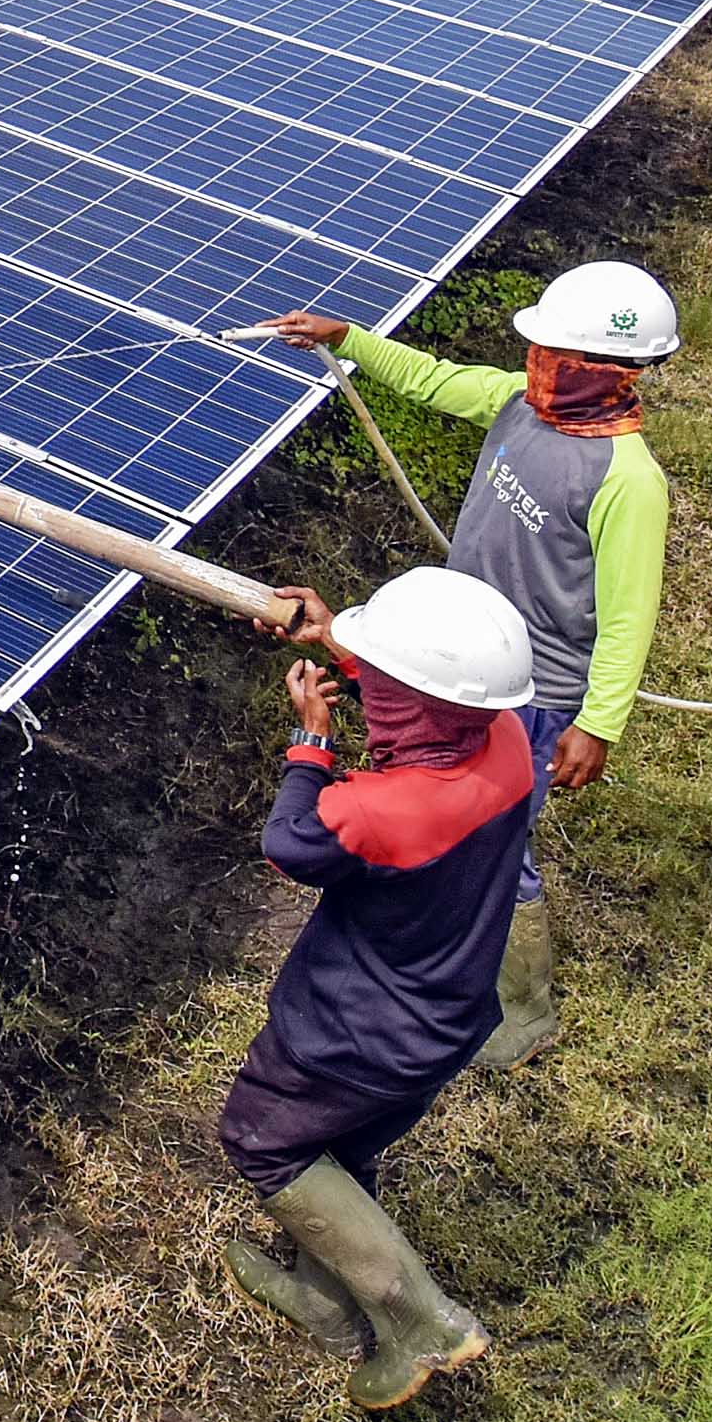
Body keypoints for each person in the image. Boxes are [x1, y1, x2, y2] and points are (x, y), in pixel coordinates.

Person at [263, 260, 676, 1069]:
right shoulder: (520, 403)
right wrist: (351, 339)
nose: (537, 363)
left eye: (555, 353)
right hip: (458, 659)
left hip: (535, 692)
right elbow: (434, 379)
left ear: (612, 371)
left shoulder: (629, 481)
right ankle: (452, 954)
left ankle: (525, 1011)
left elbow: (630, 618)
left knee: (498, 841)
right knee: (444, 813)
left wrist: (598, 723)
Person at [220, 564, 537, 1409]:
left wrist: (312, 743)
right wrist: (341, 641)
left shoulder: (380, 812)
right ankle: (325, 1302)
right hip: (445, 1022)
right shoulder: (506, 739)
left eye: (384, 680)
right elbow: (433, 709)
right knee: (343, 1148)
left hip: (352, 1033)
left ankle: (420, 1320)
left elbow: (291, 841)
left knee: (265, 1140)